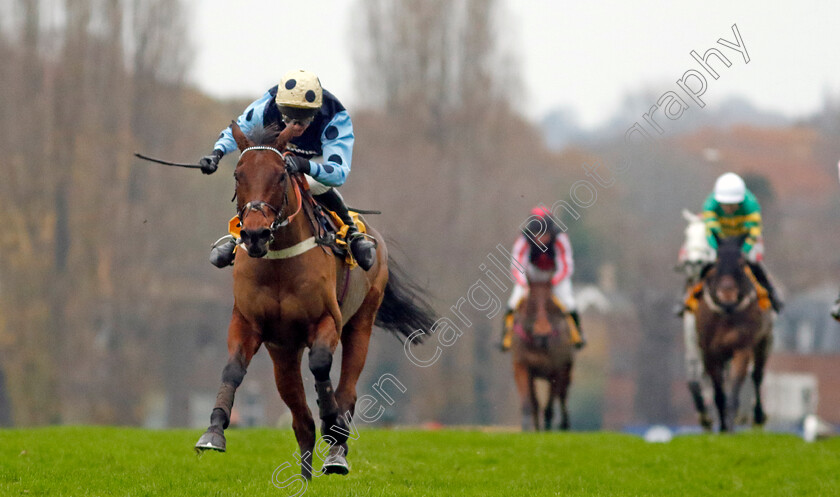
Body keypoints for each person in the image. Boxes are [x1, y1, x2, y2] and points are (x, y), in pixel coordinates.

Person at [198, 69, 376, 270]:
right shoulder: (265, 107)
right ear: (279, 107)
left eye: (304, 118)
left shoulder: (335, 117)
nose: (295, 126)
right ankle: (237, 238)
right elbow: (236, 131)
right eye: (289, 118)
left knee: (315, 183)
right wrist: (216, 155)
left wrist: (304, 165)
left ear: (316, 111)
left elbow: (338, 173)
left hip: (316, 160)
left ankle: (353, 235)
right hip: (276, 155)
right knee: (259, 178)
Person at [499, 207, 585, 351]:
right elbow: (517, 266)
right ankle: (506, 338)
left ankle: (577, 336)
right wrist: (524, 284)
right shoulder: (523, 239)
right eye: (537, 234)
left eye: (545, 234)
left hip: (554, 274)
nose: (541, 238)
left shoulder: (561, 238)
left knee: (568, 303)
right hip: (532, 274)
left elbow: (566, 266)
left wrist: (553, 282)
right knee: (514, 302)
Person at [701, 172, 782, 312]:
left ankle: (771, 294)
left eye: (733, 205)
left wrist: (744, 251)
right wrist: (719, 250)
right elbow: (710, 230)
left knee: (753, 262)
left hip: (744, 238)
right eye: (725, 205)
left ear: (740, 200)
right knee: (705, 261)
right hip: (721, 239)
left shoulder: (751, 204)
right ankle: (688, 296)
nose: (729, 209)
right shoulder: (709, 204)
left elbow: (754, 231)